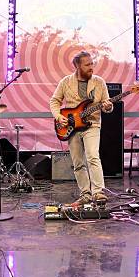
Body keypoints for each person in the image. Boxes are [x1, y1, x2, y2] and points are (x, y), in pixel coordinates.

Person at [49, 51, 113, 206]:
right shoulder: (65, 82)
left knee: (92, 156)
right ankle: (85, 194)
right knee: (78, 163)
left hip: (93, 124)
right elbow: (55, 101)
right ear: (77, 66)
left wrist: (108, 106)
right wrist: (58, 116)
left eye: (92, 63)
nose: (91, 67)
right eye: (87, 64)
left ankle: (98, 192)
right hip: (72, 127)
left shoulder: (99, 82)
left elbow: (106, 104)